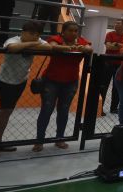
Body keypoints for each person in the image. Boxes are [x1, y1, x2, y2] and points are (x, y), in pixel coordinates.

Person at [0, 21, 51, 158]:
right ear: (23, 32)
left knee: (8, 111)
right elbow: (12, 48)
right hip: (5, 80)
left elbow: (49, 48)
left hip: (21, 80)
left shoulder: (37, 40)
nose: (35, 37)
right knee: (5, 112)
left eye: (37, 35)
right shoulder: (13, 39)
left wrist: (32, 43)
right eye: (32, 34)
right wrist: (33, 44)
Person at [33, 21, 92, 151]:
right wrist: (69, 48)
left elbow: (89, 49)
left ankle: (59, 139)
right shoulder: (57, 38)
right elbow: (52, 46)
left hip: (70, 82)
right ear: (63, 31)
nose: (73, 33)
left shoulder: (81, 40)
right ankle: (39, 140)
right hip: (51, 81)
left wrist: (83, 48)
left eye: (75, 31)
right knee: (46, 110)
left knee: (64, 111)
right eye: (70, 30)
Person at [101, 18, 123, 115]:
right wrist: (121, 46)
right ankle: (100, 108)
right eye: (115, 23)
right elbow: (108, 47)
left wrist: (116, 44)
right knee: (103, 86)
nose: (115, 24)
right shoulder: (110, 34)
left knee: (117, 87)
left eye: (118, 23)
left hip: (120, 66)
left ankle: (114, 108)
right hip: (108, 64)